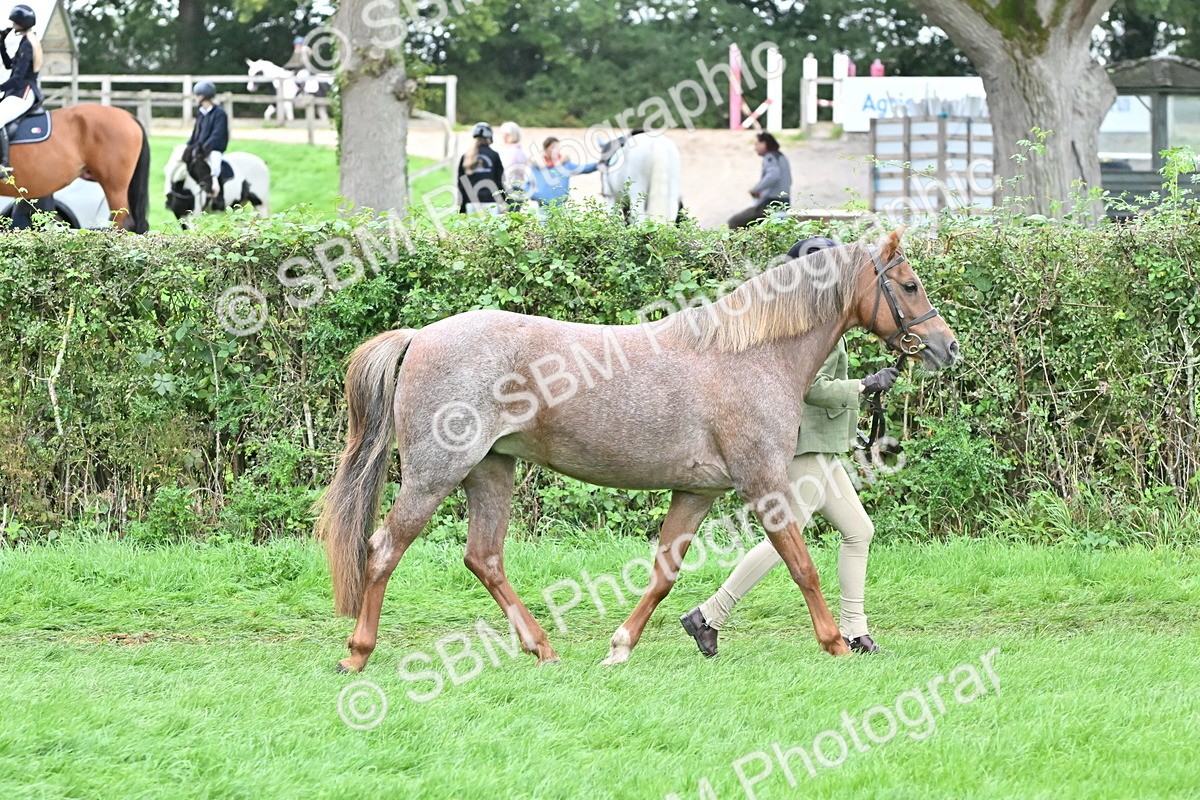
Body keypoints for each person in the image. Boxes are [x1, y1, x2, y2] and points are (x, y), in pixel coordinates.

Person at [679, 236, 900, 658]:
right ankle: (710, 615)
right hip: (807, 446)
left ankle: (855, 629)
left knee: (859, 531)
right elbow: (811, 388)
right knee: (785, 541)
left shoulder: (827, 317)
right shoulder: (806, 325)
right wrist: (863, 385)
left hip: (826, 447)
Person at [0, 3, 43, 177]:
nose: (12, 25)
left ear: (21, 23)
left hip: (24, 91)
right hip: (18, 90)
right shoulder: (25, 41)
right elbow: (10, 65)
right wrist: (1, 43)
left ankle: (3, 166)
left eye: (14, 22)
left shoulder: (28, 44)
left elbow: (17, 79)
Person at [727, 131, 791, 229]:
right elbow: (787, 181)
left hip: (771, 204)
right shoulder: (781, 157)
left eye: (757, 144)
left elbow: (773, 175)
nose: (755, 148)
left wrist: (755, 189)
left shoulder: (770, 157)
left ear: (764, 144)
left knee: (734, 222)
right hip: (784, 203)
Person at [528, 136, 597, 212]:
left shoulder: (565, 165)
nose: (555, 150)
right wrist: (535, 196)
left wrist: (599, 164)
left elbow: (584, 168)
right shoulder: (537, 166)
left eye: (557, 148)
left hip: (560, 208)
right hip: (543, 208)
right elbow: (528, 184)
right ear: (545, 148)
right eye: (553, 147)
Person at [186, 80, 229, 199]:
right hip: (201, 149)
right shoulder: (201, 113)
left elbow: (217, 135)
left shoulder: (219, 114)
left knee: (214, 165)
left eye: (197, 95)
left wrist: (204, 148)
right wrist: (188, 146)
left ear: (203, 96)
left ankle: (216, 191)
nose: (195, 97)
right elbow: (195, 134)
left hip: (213, 149)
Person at [457, 121, 506, 214]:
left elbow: (461, 184)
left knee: (474, 229)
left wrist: (462, 207)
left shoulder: (466, 156)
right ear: (490, 137)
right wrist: (503, 201)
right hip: (491, 202)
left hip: (471, 202)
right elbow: (500, 181)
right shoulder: (494, 155)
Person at [497, 121, 529, 212]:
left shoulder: (512, 152)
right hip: (519, 188)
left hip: (512, 189)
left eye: (503, 134)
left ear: (508, 135)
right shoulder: (519, 150)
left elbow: (508, 174)